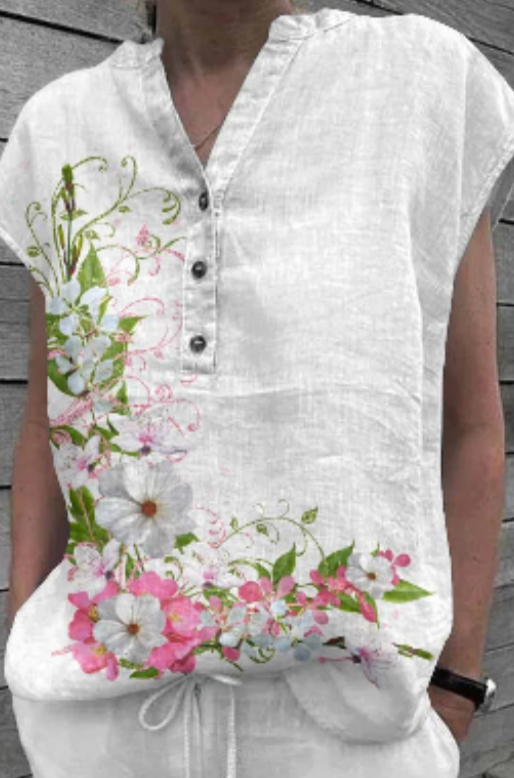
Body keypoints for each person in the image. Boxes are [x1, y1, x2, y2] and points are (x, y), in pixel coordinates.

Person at [1, 1, 512, 776]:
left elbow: (472, 421)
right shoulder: (57, 130)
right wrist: (25, 662)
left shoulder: (420, 84)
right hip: (101, 733)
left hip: (354, 737)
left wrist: (455, 695)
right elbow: (50, 421)